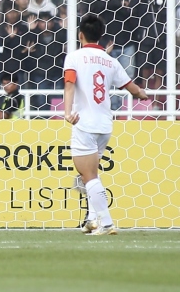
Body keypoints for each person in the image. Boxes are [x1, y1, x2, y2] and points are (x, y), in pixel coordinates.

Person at [63, 14, 147, 235]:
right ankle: (91, 220)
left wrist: (68, 112)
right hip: (105, 126)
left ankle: (107, 223)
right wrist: (144, 95)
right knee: (91, 174)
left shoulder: (74, 57)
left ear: (80, 34)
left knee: (88, 175)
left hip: (84, 124)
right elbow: (134, 89)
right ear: (100, 36)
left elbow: (70, 85)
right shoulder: (111, 61)